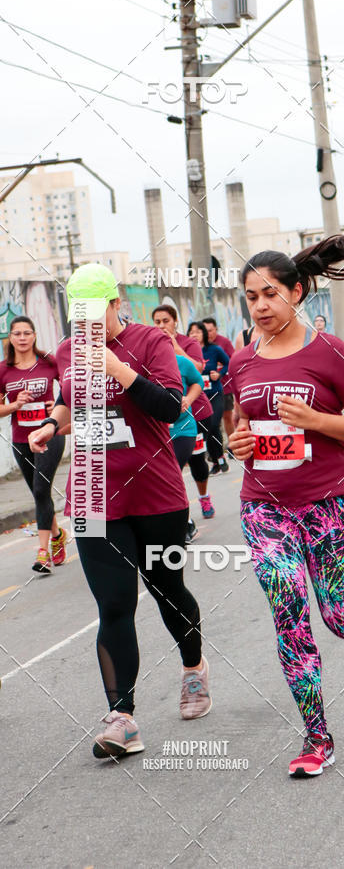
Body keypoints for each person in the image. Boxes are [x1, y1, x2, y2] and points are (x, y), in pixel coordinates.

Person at [228, 235, 344, 779]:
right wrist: (239, 442)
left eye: (270, 293)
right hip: (266, 507)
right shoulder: (241, 358)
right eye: (251, 296)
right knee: (289, 612)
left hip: (331, 504)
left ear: (297, 293)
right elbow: (243, 422)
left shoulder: (329, 352)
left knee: (338, 613)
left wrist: (317, 421)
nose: (260, 305)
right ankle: (315, 736)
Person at [29, 264, 210, 759]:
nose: (85, 326)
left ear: (115, 306)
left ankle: (193, 666)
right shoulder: (66, 352)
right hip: (91, 495)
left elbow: (172, 408)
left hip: (155, 494)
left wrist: (114, 366)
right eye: (77, 317)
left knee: (167, 591)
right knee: (113, 605)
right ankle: (122, 719)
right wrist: (51, 424)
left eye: (95, 315)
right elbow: (70, 404)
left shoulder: (150, 341)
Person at [0, 316, 67, 573]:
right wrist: (15, 405)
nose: (23, 338)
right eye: (17, 333)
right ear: (11, 338)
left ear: (35, 335)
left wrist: (57, 405)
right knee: (38, 493)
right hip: (20, 439)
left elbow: (70, 388)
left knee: (41, 490)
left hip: (50, 433)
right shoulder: (3, 370)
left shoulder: (49, 362)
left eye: (27, 333)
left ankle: (42, 553)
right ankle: (58, 534)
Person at [163, 336, 206, 543]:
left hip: (184, 430)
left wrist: (188, 399)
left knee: (172, 473)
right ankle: (178, 521)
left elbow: (198, 381)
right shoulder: (144, 366)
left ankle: (185, 523)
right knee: (164, 479)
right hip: (158, 432)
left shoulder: (182, 362)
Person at [187, 321, 230, 474]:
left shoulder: (214, 350)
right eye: (191, 332)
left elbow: (228, 362)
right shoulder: (186, 352)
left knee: (213, 425)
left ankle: (219, 459)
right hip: (198, 397)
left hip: (215, 394)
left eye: (198, 332)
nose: (194, 335)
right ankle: (216, 461)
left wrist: (219, 374)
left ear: (204, 334)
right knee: (206, 429)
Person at [202, 317, 235, 453]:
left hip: (224, 386)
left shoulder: (224, 343)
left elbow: (232, 361)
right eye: (205, 330)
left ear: (216, 329)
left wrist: (220, 371)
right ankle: (215, 453)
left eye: (211, 330)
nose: (208, 333)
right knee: (212, 422)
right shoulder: (199, 345)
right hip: (205, 390)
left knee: (227, 417)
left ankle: (232, 444)